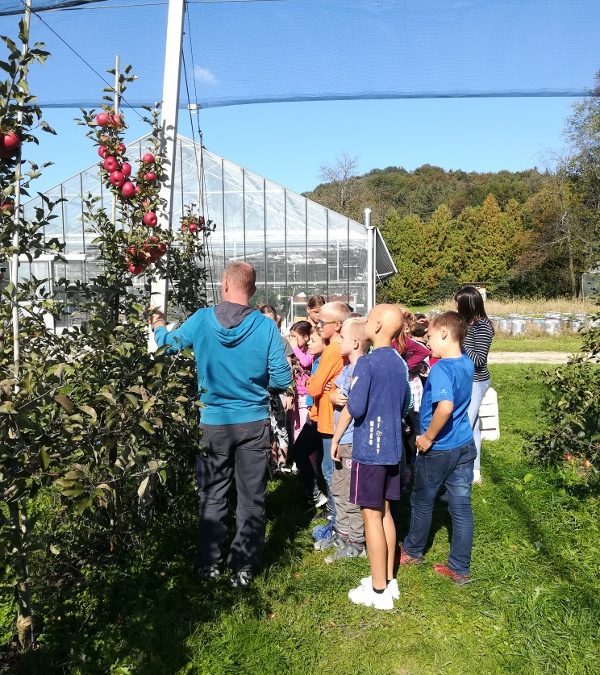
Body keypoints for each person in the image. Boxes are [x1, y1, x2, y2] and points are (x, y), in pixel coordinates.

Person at [150, 262, 291, 587]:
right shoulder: (265, 326)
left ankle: (209, 565)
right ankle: (243, 568)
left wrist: (158, 325)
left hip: (213, 422)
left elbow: (167, 346)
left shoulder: (201, 320)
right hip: (253, 422)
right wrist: (254, 380)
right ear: (252, 290)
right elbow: (282, 377)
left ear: (224, 283)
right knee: (251, 498)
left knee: (212, 495)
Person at [331, 304, 412, 610]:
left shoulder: (366, 364)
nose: (364, 321)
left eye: (369, 318)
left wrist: (337, 437)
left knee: (370, 517)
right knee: (386, 512)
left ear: (376, 326)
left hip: (370, 451)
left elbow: (355, 407)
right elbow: (405, 404)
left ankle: (378, 591)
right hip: (393, 449)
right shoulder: (397, 363)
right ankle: (388, 578)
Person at [399, 311, 476, 585]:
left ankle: (412, 550)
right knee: (461, 507)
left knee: (421, 500)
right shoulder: (467, 363)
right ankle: (460, 568)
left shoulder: (442, 368)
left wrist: (428, 437)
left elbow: (445, 406)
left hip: (440, 448)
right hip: (465, 445)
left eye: (430, 335)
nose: (427, 340)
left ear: (444, 333)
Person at [306, 301, 351, 549]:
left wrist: (321, 385)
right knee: (331, 472)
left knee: (331, 473)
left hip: (328, 419)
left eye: (323, 322)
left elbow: (313, 386)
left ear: (338, 326)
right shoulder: (336, 349)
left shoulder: (333, 350)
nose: (318, 325)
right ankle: (338, 523)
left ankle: (337, 525)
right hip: (325, 415)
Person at [324, 317, 369, 563]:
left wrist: (338, 437)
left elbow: (354, 407)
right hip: (341, 441)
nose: (337, 341)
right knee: (339, 490)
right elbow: (336, 392)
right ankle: (343, 534)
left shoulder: (362, 370)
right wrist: (332, 397)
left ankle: (357, 542)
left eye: (342, 338)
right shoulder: (347, 369)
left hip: (351, 441)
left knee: (352, 495)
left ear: (354, 342)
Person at [454, 286, 494, 484]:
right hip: (466, 379)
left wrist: (460, 340)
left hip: (477, 381)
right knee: (473, 425)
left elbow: (479, 359)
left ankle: (461, 475)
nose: (456, 307)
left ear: (468, 304)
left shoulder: (483, 326)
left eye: (459, 303)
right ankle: (474, 472)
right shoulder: (467, 324)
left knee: (465, 426)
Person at [291, 327, 327, 511]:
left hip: (320, 416)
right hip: (315, 412)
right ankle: (316, 494)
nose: (310, 343)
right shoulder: (318, 359)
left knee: (305, 452)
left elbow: (313, 388)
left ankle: (318, 495)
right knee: (312, 455)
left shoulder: (324, 360)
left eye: (313, 339)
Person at [258, 304, 294, 472]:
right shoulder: (255, 340)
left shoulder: (281, 341)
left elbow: (288, 368)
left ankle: (282, 463)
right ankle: (270, 463)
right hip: (261, 391)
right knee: (266, 427)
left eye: (272, 321)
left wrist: (288, 392)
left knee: (280, 426)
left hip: (277, 392)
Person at [287, 320, 314, 443]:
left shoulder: (310, 350)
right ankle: (297, 455)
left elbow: (305, 362)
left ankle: (304, 456)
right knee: (295, 425)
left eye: (295, 337)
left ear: (306, 337)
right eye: (291, 336)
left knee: (304, 424)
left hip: (305, 394)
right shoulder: (294, 350)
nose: (293, 340)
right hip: (294, 393)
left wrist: (294, 348)